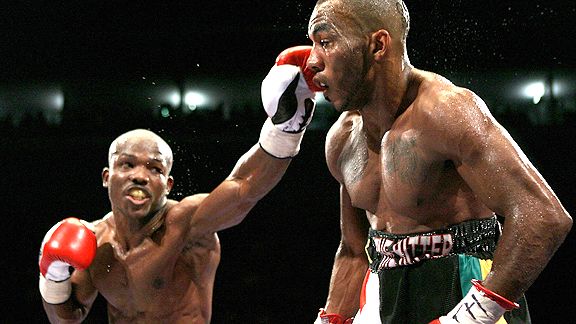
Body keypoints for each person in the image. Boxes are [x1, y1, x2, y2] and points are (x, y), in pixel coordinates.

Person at [306, 1, 572, 323]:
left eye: (325, 42)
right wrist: (329, 319)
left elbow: (543, 215)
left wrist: (474, 314)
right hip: (383, 293)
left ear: (378, 45)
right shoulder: (342, 139)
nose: (311, 60)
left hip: (467, 283)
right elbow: (353, 251)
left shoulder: (445, 112)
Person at [38, 46, 321, 323]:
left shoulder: (185, 225)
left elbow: (244, 188)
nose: (140, 176)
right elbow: (67, 318)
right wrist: (53, 278)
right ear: (106, 177)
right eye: (127, 164)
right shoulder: (94, 242)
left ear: (168, 185)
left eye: (154, 168)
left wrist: (285, 130)